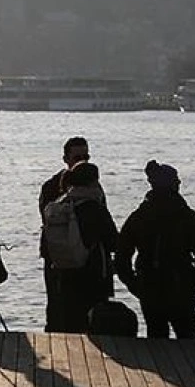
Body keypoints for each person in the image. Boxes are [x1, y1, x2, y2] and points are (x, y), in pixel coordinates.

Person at [115, 160, 195, 340]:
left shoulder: (140, 216)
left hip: (150, 287)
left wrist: (134, 284)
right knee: (190, 342)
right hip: (180, 287)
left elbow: (122, 254)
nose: (179, 184)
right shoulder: (186, 216)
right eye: (177, 181)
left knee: (157, 341)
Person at [53, 162, 119, 333]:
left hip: (65, 271)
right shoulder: (94, 207)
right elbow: (113, 241)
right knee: (94, 322)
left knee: (71, 322)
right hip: (93, 273)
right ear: (93, 181)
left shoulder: (62, 204)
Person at [38, 136, 91, 332]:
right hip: (57, 256)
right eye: (77, 157)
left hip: (84, 257)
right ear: (65, 158)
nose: (82, 161)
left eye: (86, 156)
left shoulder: (92, 186)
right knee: (56, 307)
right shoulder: (51, 186)